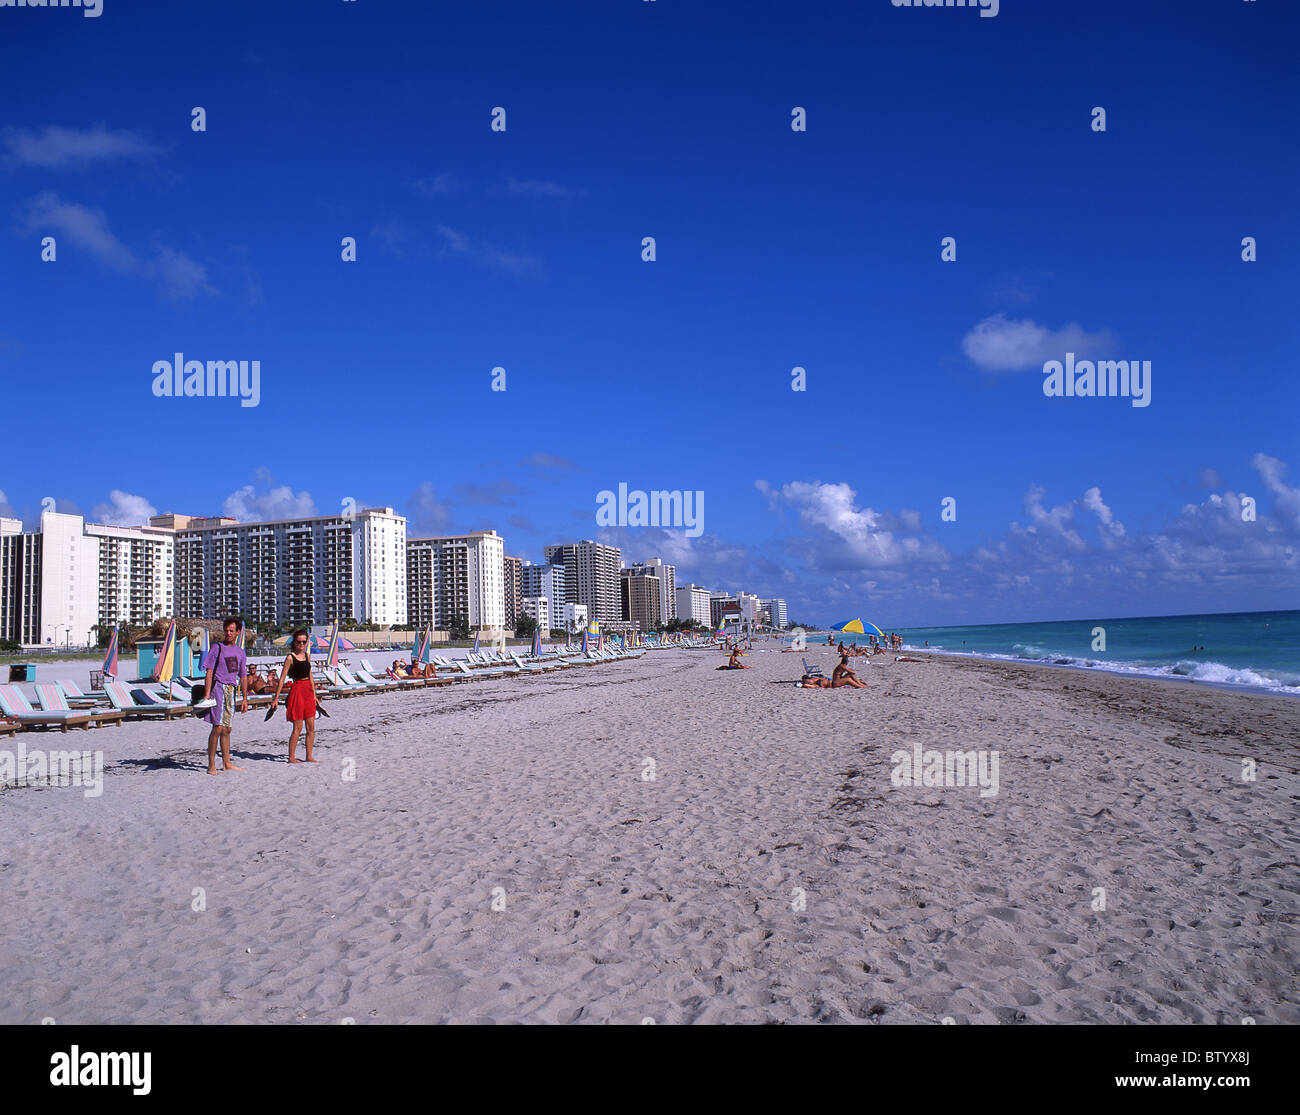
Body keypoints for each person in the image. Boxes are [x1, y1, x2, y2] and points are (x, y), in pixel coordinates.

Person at [202, 617, 248, 775]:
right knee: (218, 727)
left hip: (232, 691)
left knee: (227, 729)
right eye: (226, 630)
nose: (228, 633)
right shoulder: (217, 648)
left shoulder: (240, 652)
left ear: (237, 632)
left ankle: (227, 763)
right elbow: (208, 672)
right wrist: (207, 695)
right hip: (218, 689)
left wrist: (245, 699)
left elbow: (243, 676)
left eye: (231, 631)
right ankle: (211, 764)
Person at [270, 628, 317, 764]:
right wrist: (276, 698)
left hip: (308, 691)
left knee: (311, 727)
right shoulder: (290, 658)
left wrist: (314, 695)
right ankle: (291, 757)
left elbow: (311, 676)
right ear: (294, 643)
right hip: (297, 691)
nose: (301, 645)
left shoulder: (308, 656)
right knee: (298, 727)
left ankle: (309, 756)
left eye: (304, 642)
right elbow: (282, 678)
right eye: (299, 642)